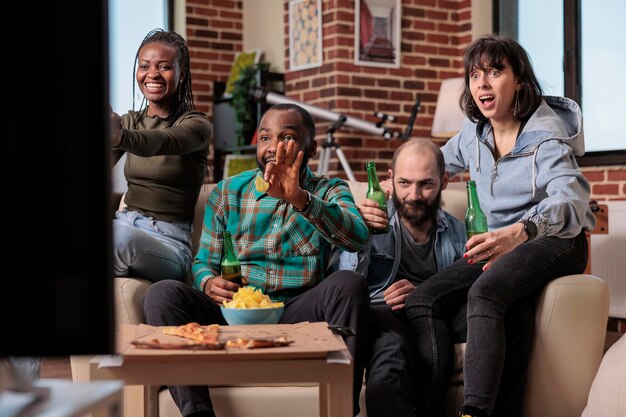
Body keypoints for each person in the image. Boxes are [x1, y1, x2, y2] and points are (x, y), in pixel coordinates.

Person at [405, 34, 596, 417]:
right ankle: (426, 407)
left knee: (487, 292)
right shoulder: (473, 134)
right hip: (497, 243)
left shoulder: (547, 140)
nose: (482, 84)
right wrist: (407, 181)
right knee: (421, 299)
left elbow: (571, 201)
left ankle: (475, 411)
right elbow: (434, 164)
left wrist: (521, 231)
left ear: (519, 81)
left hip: (554, 239)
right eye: (475, 75)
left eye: (494, 72)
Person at [143, 102, 371, 417]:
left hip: (297, 311)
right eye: (265, 138)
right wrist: (208, 282)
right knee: (162, 293)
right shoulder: (227, 192)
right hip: (233, 311)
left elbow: (357, 236)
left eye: (287, 137)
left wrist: (300, 200)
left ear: (312, 148)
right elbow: (202, 263)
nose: (273, 147)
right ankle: (197, 413)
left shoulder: (329, 189)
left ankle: (342, 409)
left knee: (349, 285)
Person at [328, 138, 467, 417]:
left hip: (428, 317)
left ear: (445, 181)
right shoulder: (368, 218)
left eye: (426, 184)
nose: (414, 195)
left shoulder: (456, 232)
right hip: (378, 313)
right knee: (391, 356)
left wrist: (422, 291)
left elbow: (462, 289)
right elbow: (341, 282)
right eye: (405, 183)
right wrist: (360, 233)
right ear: (390, 180)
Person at [109, 28, 212, 282]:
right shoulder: (130, 121)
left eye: (164, 66)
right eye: (144, 66)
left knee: (118, 239)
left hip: (170, 243)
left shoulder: (196, 126)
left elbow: (164, 141)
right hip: (124, 224)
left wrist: (121, 137)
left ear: (182, 73)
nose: (152, 74)